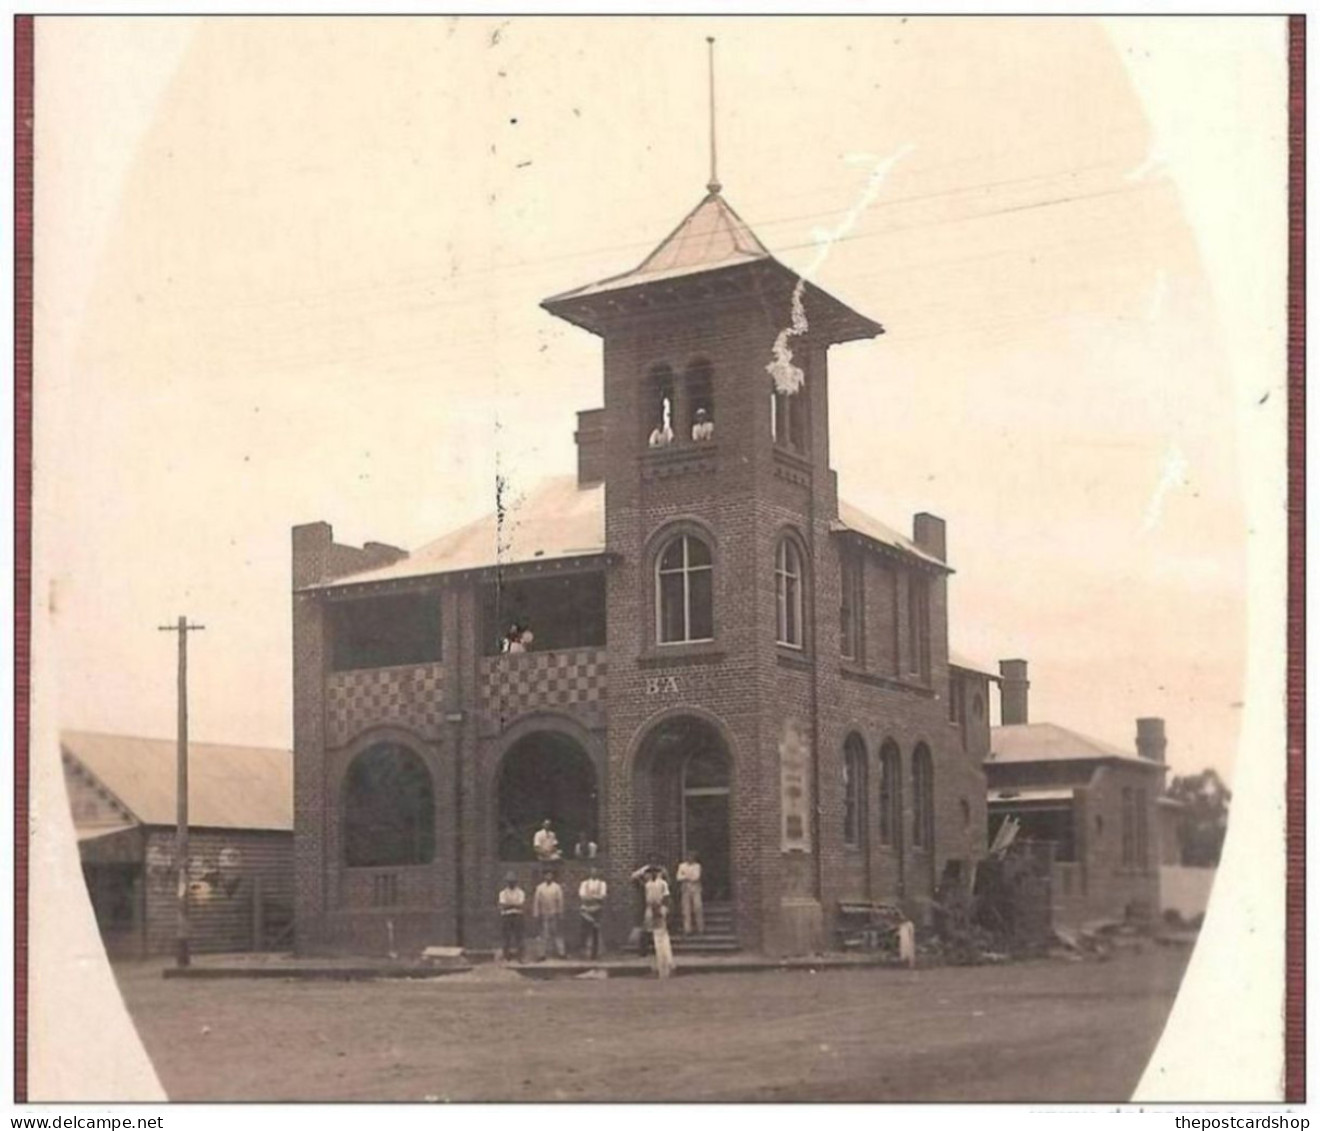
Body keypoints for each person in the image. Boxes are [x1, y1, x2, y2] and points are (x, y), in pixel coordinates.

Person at [532, 869, 565, 960]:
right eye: (547, 875)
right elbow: (536, 901)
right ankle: (541, 954)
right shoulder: (540, 887)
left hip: (554, 913)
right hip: (544, 913)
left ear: (553, 877)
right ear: (544, 876)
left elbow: (560, 901)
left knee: (557, 933)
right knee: (543, 934)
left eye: (550, 875)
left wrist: (560, 913)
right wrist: (536, 913)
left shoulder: (557, 887)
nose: (548, 877)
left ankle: (561, 953)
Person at [578, 866, 607, 959]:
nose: (594, 873)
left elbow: (602, 896)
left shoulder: (602, 884)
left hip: (597, 909)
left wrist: (590, 897)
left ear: (598, 872)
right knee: (585, 931)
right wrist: (595, 897)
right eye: (592, 871)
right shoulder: (584, 883)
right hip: (586, 910)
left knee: (596, 931)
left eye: (595, 871)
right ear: (590, 872)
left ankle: (595, 953)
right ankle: (586, 952)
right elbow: (582, 896)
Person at [497, 872, 526, 962]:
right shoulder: (502, 893)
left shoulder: (520, 892)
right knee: (506, 936)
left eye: (513, 881)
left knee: (519, 936)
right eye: (509, 881)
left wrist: (509, 905)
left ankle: (520, 956)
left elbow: (521, 905)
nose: (511, 883)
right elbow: (502, 905)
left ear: (516, 882)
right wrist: (514, 905)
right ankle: (506, 956)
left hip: (517, 916)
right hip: (507, 916)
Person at [676, 851, 704, 935]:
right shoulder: (682, 866)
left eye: (692, 856)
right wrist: (688, 876)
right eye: (688, 856)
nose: (690, 858)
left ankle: (700, 928)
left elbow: (696, 877)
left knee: (698, 907)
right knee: (686, 909)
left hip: (695, 889)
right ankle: (687, 929)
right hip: (685, 889)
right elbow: (678, 877)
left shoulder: (697, 866)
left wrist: (685, 876)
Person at [651, 901, 676, 979]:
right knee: (663, 950)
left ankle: (665, 970)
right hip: (659, 929)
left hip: (661, 929)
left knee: (663, 950)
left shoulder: (662, 909)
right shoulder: (661, 909)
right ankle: (664, 969)